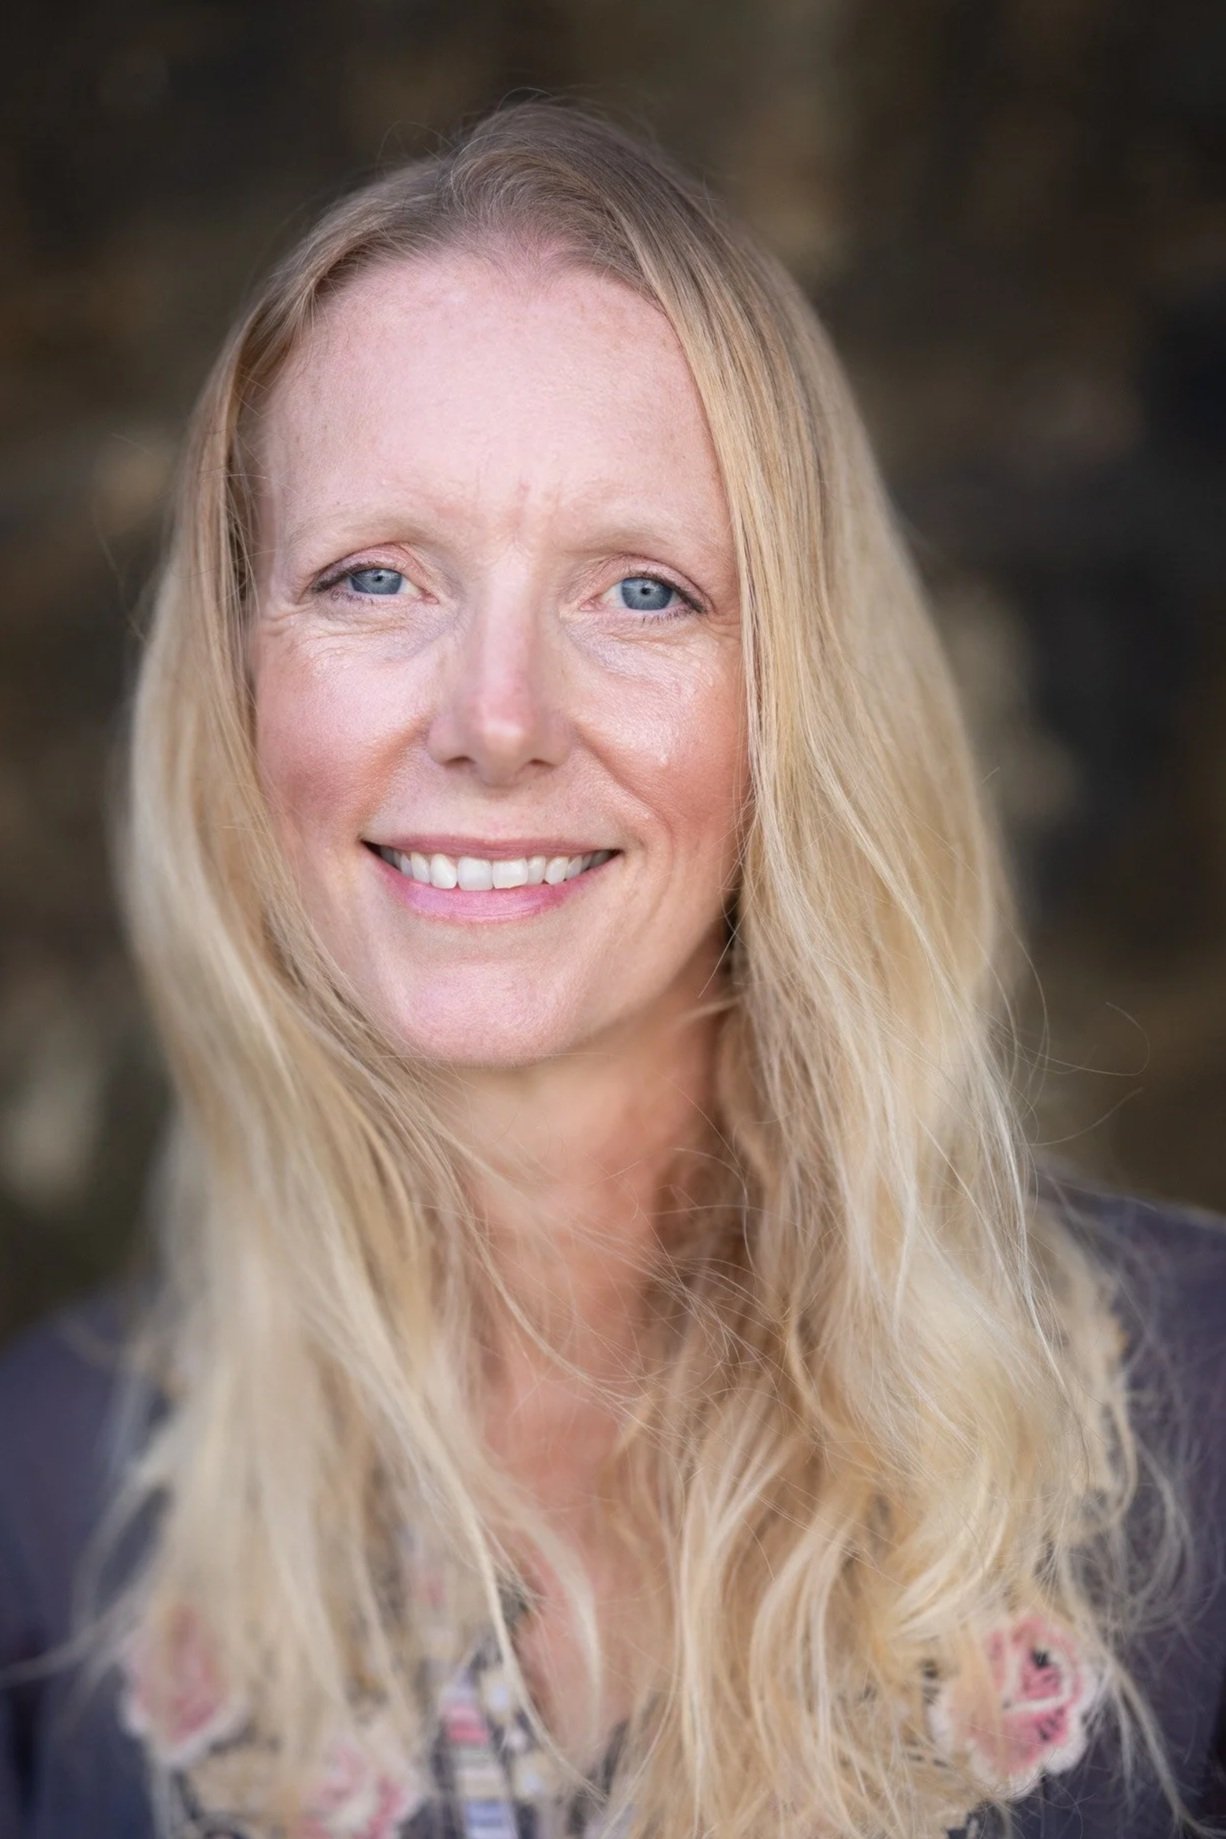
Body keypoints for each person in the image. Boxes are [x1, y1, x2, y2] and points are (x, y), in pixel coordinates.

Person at [1, 100, 1224, 1839]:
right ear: (241, 681)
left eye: (641, 592)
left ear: (795, 698)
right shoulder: (47, 1499)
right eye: (371, 576)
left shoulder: (1205, 1415)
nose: (495, 718)